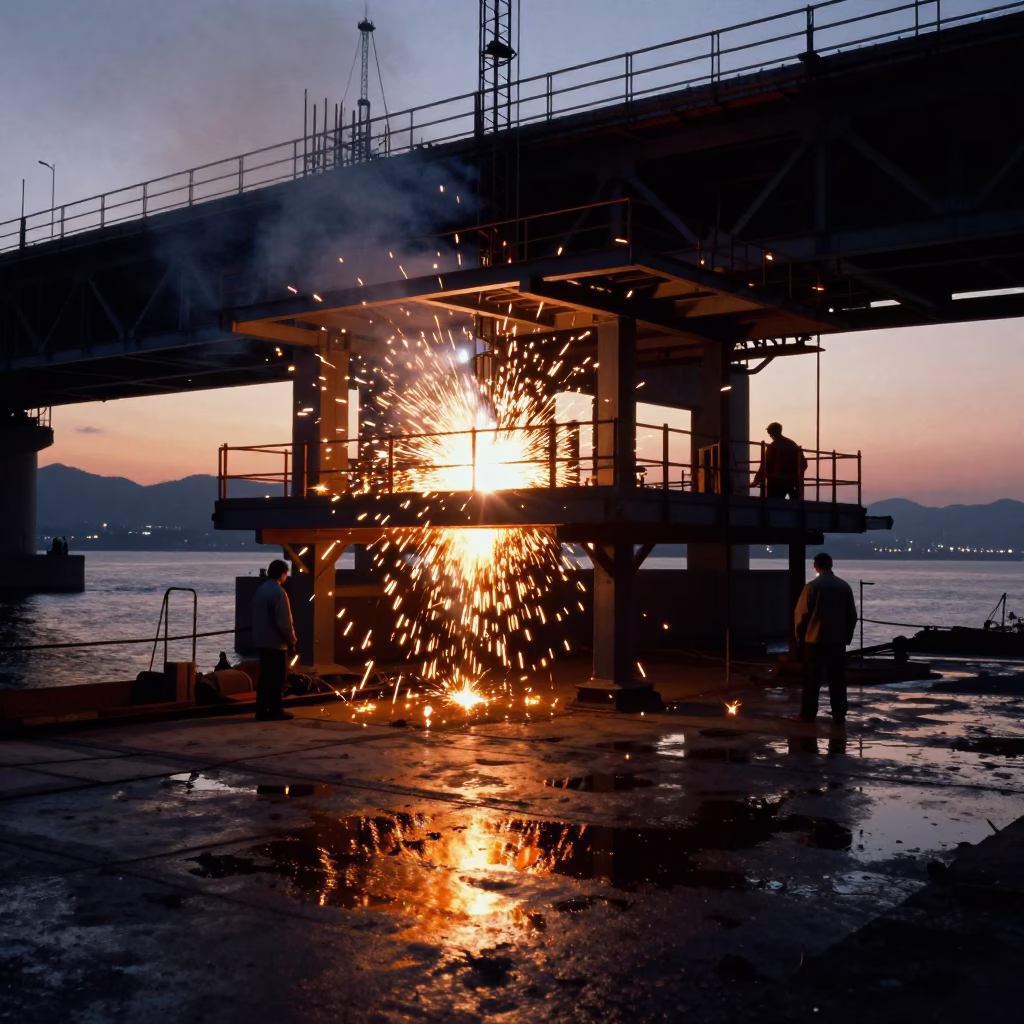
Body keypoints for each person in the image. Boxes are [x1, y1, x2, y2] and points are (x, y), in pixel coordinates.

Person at [793, 552, 858, 727]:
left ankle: (807, 714)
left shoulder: (811, 587)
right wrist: (846, 637)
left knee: (811, 680)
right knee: (837, 680)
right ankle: (839, 714)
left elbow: (801, 615)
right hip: (836, 641)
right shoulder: (844, 587)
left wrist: (799, 638)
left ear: (816, 566)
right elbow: (852, 615)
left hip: (814, 641)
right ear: (831, 565)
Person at [251, 558, 298, 721]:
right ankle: (277, 710)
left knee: (265, 679)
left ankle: (262, 710)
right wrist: (291, 641)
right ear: (283, 574)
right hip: (276, 643)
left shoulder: (261, 590)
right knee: (278, 679)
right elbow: (284, 622)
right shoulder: (279, 592)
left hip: (261, 640)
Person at [752, 422, 807, 499]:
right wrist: (797, 477)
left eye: (769, 432)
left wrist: (757, 479)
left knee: (774, 504)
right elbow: (803, 464)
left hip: (776, 482)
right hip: (792, 482)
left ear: (771, 433)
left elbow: (766, 464)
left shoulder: (774, 446)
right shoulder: (792, 444)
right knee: (794, 506)